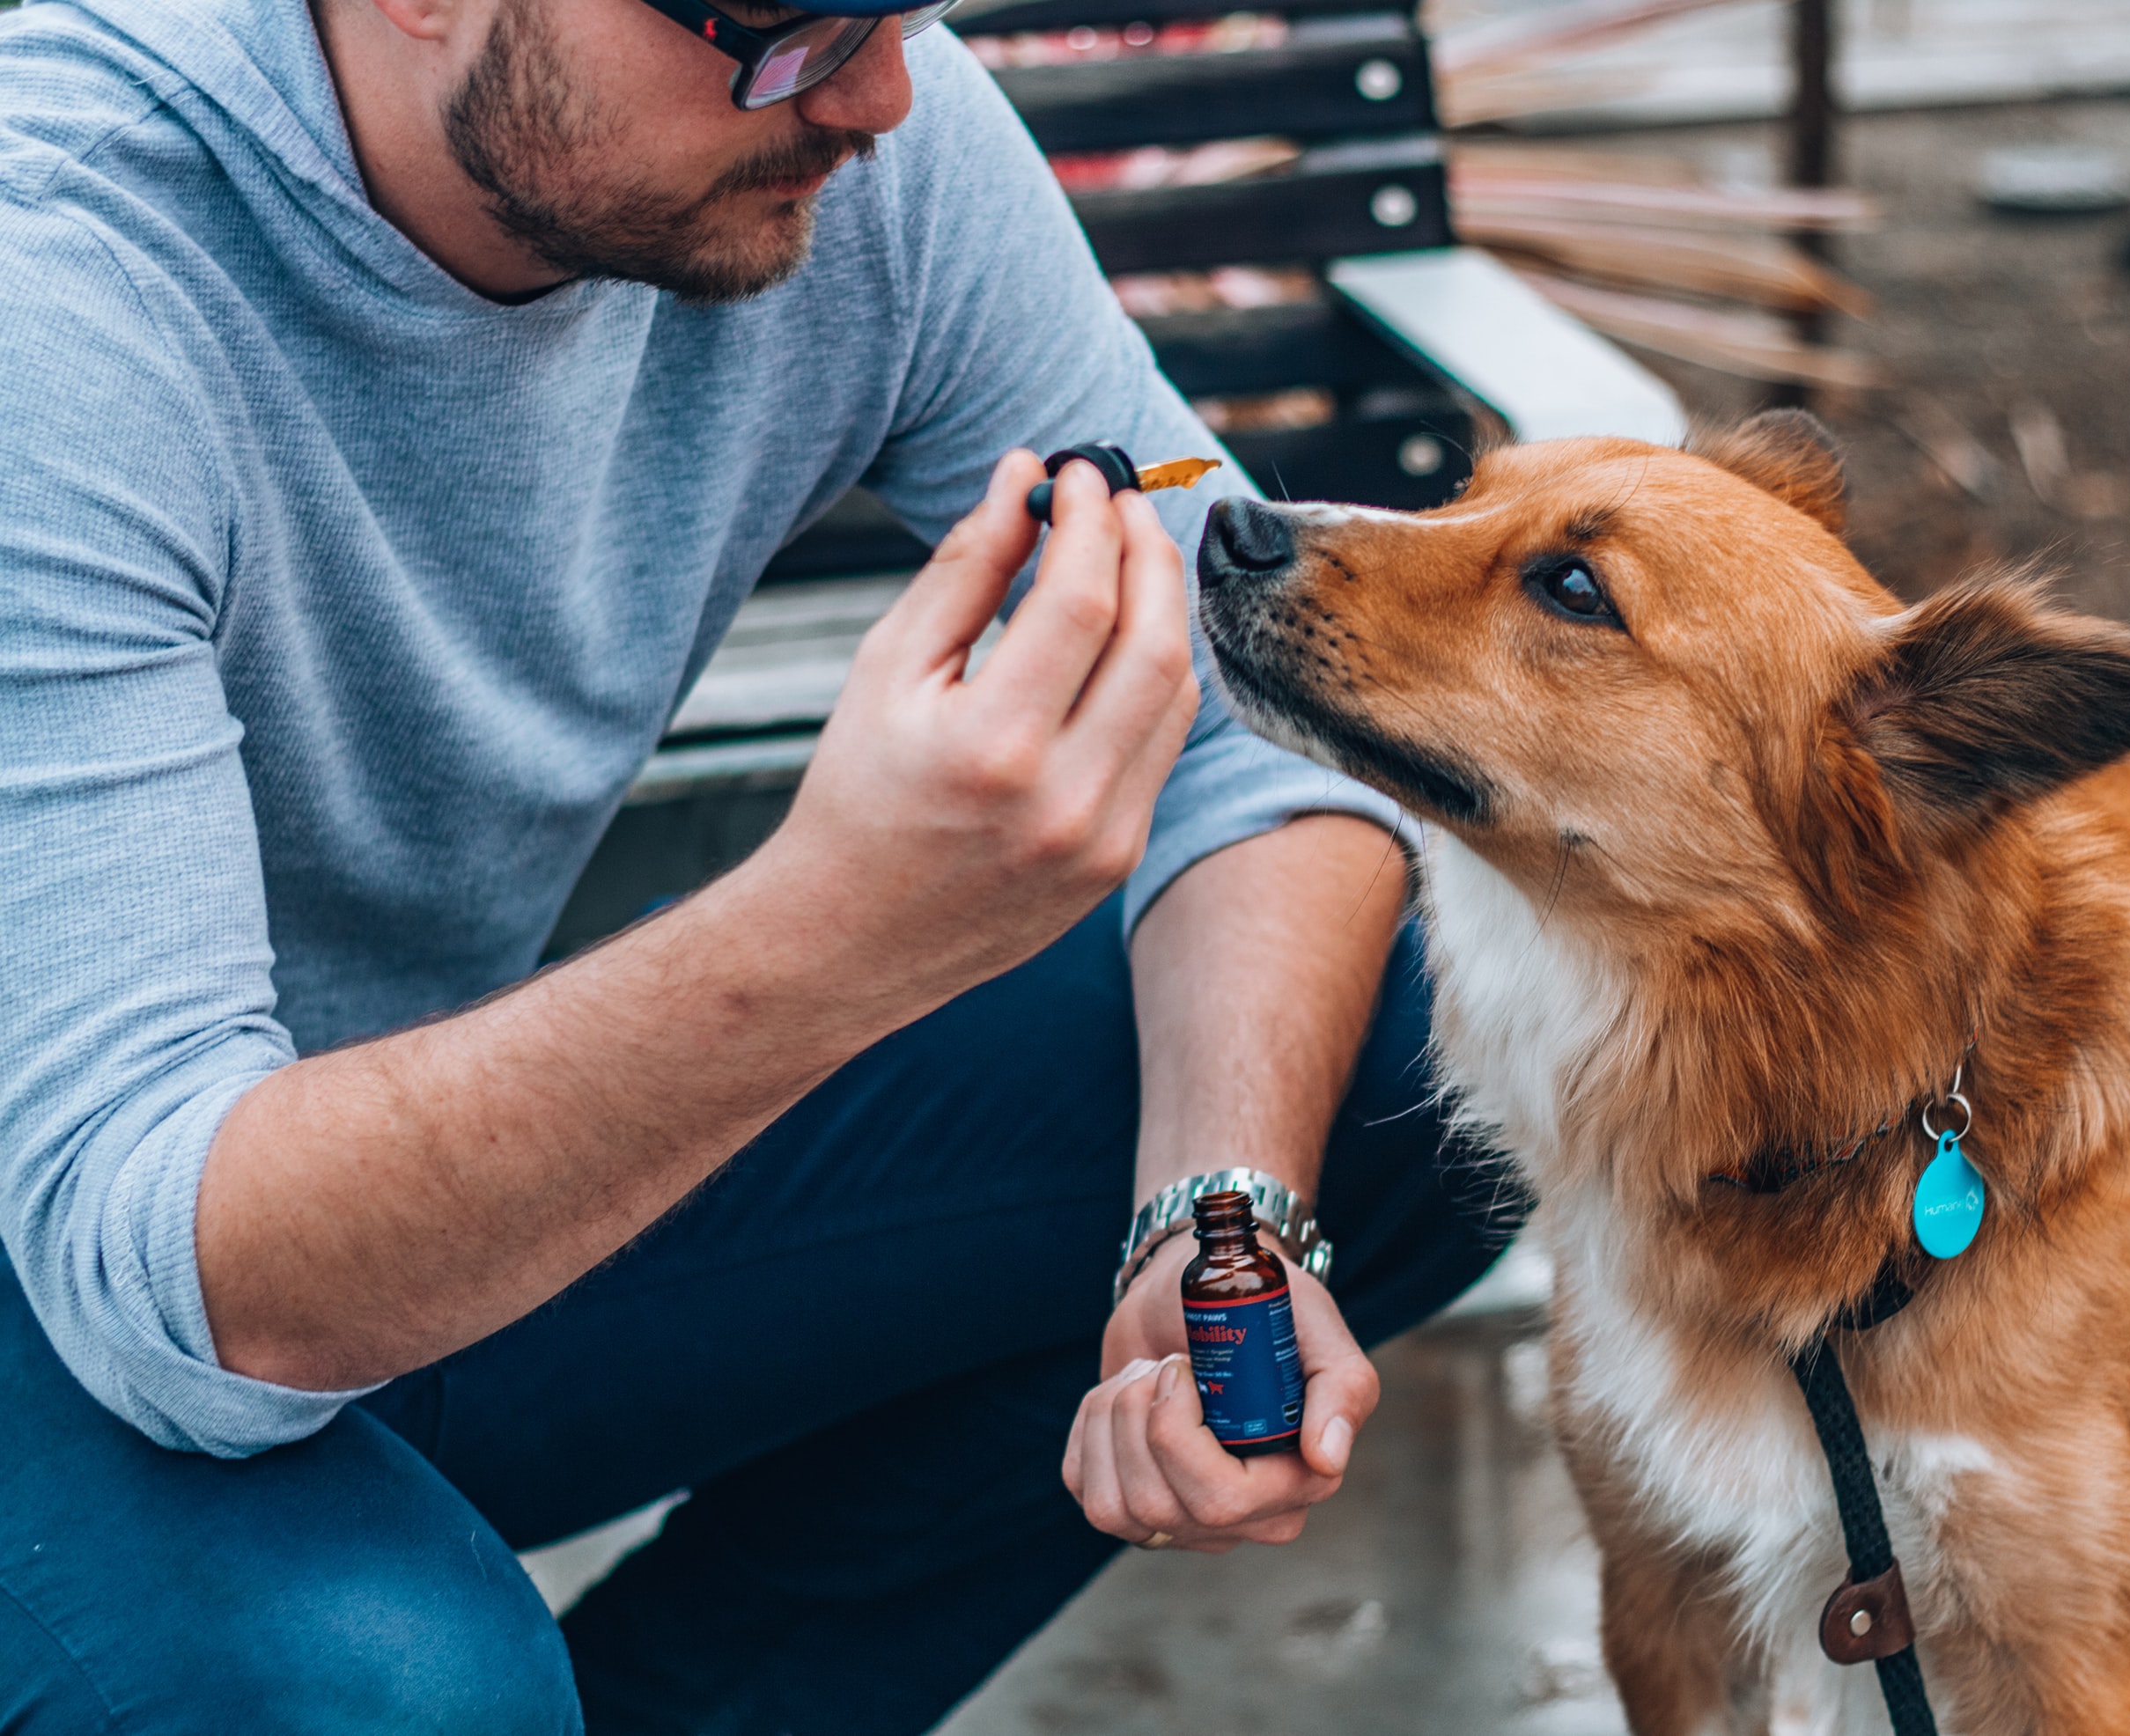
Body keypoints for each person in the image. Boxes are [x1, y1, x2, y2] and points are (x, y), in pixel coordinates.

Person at [0, 0, 1507, 1730]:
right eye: (788, 21)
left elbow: (1245, 732)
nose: (879, 92)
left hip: (383, 1194)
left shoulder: (864, 149)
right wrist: (843, 923)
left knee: (1417, 1069)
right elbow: (172, 1294)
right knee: (386, 1696)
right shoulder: (61, 294)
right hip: (93, 1267)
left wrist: (1217, 1219)